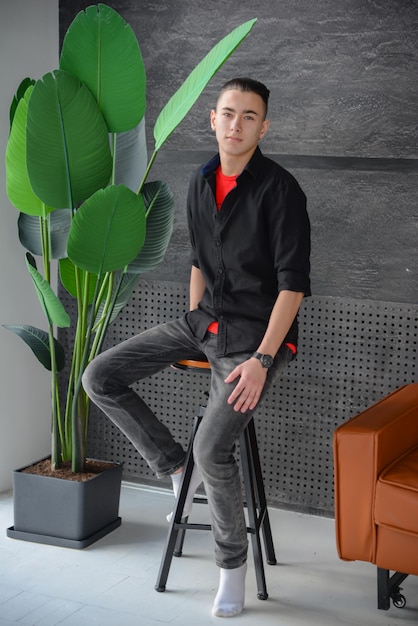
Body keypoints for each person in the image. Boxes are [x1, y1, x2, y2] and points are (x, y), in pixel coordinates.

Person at [82, 77, 311, 618]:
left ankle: (231, 568)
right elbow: (197, 260)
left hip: (255, 339)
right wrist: (194, 320)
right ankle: (177, 470)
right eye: (228, 113)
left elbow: (292, 285)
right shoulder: (200, 180)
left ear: (264, 126)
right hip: (204, 324)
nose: (236, 124)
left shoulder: (281, 191)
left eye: (249, 116)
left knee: (215, 448)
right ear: (212, 119)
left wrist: (260, 360)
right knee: (99, 376)